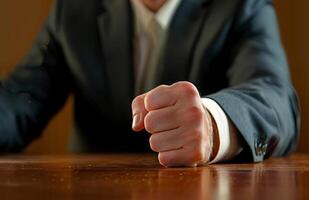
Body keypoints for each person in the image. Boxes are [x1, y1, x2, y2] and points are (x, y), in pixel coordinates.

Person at [0, 0, 300, 167]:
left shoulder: (241, 6)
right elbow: (20, 98)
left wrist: (213, 125)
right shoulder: (74, 8)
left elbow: (276, 98)